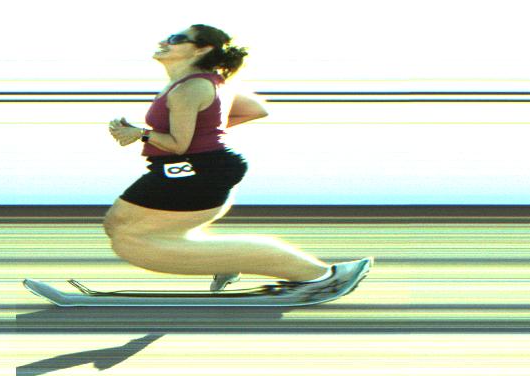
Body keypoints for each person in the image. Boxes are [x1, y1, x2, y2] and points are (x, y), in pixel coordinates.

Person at [104, 24, 370, 300]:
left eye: (176, 39)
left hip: (198, 170)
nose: (164, 41)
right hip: (191, 167)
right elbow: (256, 109)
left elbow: (178, 144)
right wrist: (205, 129)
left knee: (130, 242)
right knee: (117, 224)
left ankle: (321, 276)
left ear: (202, 49)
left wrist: (141, 133)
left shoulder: (191, 88)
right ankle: (225, 260)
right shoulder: (202, 82)